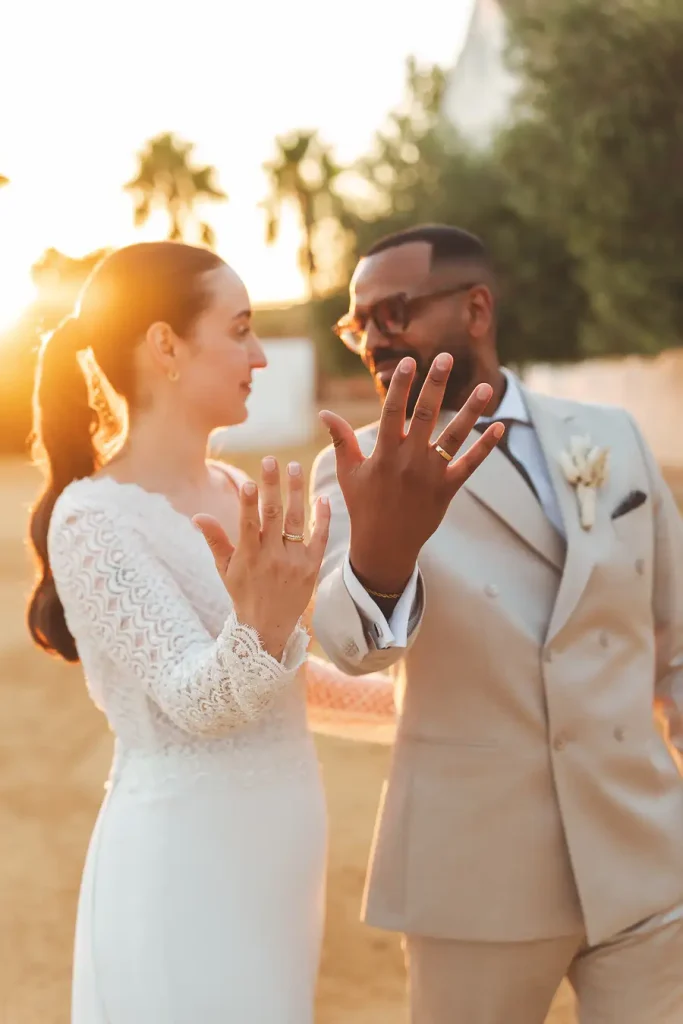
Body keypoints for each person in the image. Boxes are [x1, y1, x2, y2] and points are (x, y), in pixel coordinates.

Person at [26, 240, 499, 1023]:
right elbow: (200, 702)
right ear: (165, 347)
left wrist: (428, 704)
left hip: (278, 851)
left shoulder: (239, 490)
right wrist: (269, 619)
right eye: (240, 329)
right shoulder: (92, 518)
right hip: (182, 857)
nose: (260, 356)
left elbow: (290, 684)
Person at [311, 224, 683, 1024]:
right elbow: (348, 647)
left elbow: (673, 639)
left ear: (475, 308)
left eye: (395, 311)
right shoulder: (355, 467)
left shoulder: (608, 437)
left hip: (645, 863)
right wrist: (383, 552)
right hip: (474, 876)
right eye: (359, 322)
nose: (373, 339)